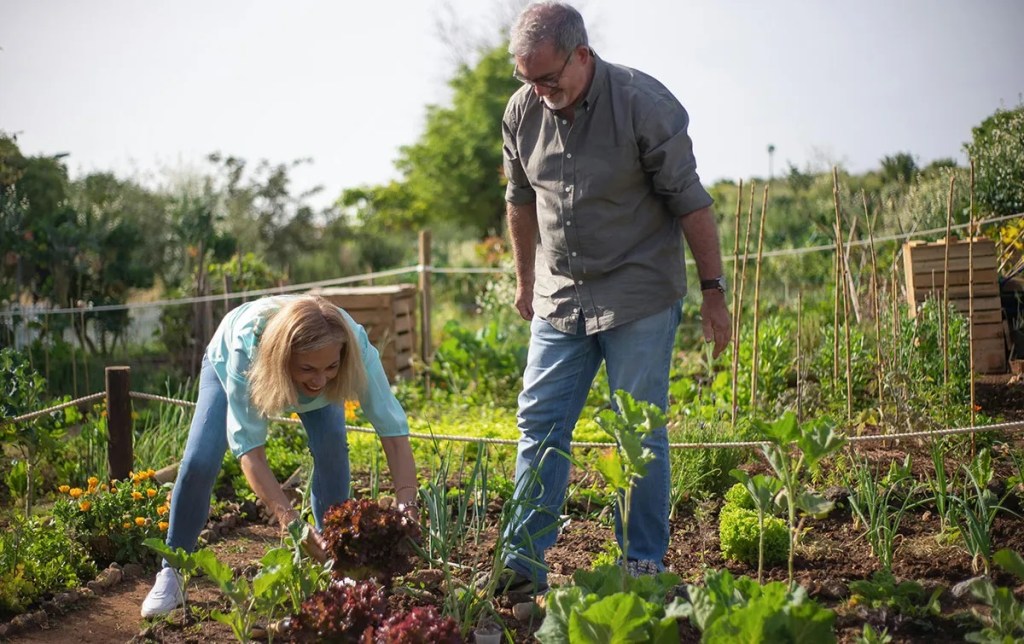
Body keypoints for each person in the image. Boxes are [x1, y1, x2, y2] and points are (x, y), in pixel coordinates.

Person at [495, 1, 732, 594]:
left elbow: (691, 201)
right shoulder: (522, 111)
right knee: (539, 424)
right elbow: (520, 199)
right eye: (527, 80)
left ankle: (643, 566)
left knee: (638, 430)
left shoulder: (642, 104)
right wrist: (526, 281)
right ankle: (522, 567)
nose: (540, 91)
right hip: (560, 295)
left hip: (638, 294)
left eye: (549, 78)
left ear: (582, 54)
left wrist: (714, 292)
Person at [141, 294, 419, 617]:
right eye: (308, 368)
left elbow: (394, 433)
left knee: (332, 452)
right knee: (199, 462)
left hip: (306, 370)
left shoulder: (352, 345)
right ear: (286, 358)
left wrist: (407, 504)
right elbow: (250, 451)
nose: (319, 379)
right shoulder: (247, 351)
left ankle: (335, 562)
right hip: (235, 363)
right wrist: (292, 523)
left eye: (331, 366)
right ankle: (172, 569)